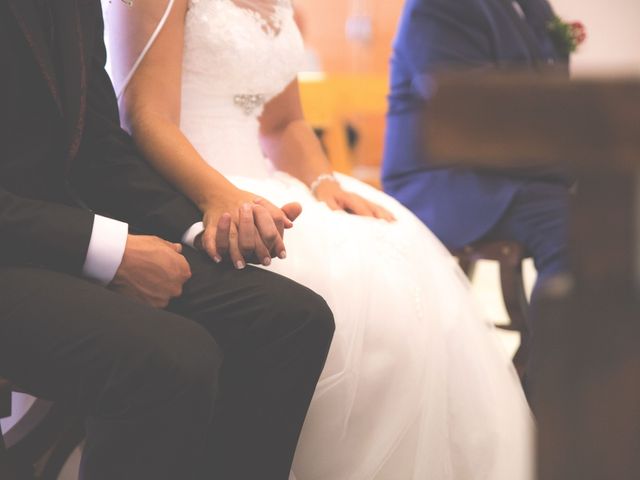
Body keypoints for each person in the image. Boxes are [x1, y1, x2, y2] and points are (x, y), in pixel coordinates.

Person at [103, 0, 534, 478]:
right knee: (351, 304)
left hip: (269, 180)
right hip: (190, 185)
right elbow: (143, 116)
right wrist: (220, 195)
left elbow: (284, 122)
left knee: (399, 267)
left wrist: (323, 182)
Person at [0, 1, 335, 479]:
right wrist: (112, 251)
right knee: (175, 358)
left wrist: (201, 228)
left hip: (61, 237)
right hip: (13, 257)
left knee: (292, 319)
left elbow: (98, 149)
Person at [382, 0, 572, 368]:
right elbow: (472, 118)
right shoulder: (438, 5)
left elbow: (553, 99)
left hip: (508, 168)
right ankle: (548, 390)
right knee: (572, 225)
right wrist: (573, 166)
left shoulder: (534, 6)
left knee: (606, 212)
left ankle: (584, 366)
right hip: (441, 177)